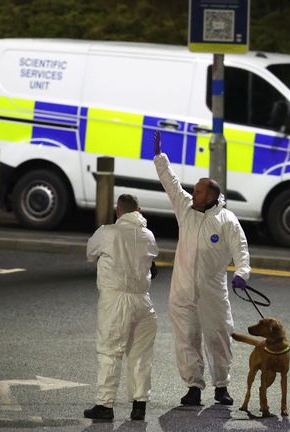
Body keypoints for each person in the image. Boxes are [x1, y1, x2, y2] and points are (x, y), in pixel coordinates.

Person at [152, 130, 251, 406]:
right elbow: (170, 183)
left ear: (210, 197)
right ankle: (193, 387)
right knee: (186, 340)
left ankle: (221, 387)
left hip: (212, 293)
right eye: (193, 190)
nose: (191, 193)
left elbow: (241, 249)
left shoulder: (227, 220)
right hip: (182, 291)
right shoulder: (185, 208)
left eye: (197, 191)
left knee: (219, 338)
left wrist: (242, 274)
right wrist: (160, 157)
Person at [83, 194, 159, 421]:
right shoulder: (148, 235)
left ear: (118, 211)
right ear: (139, 210)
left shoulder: (107, 232)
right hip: (144, 302)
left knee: (110, 352)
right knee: (141, 356)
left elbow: (90, 253)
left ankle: (105, 405)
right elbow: (151, 262)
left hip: (116, 301)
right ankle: (139, 406)